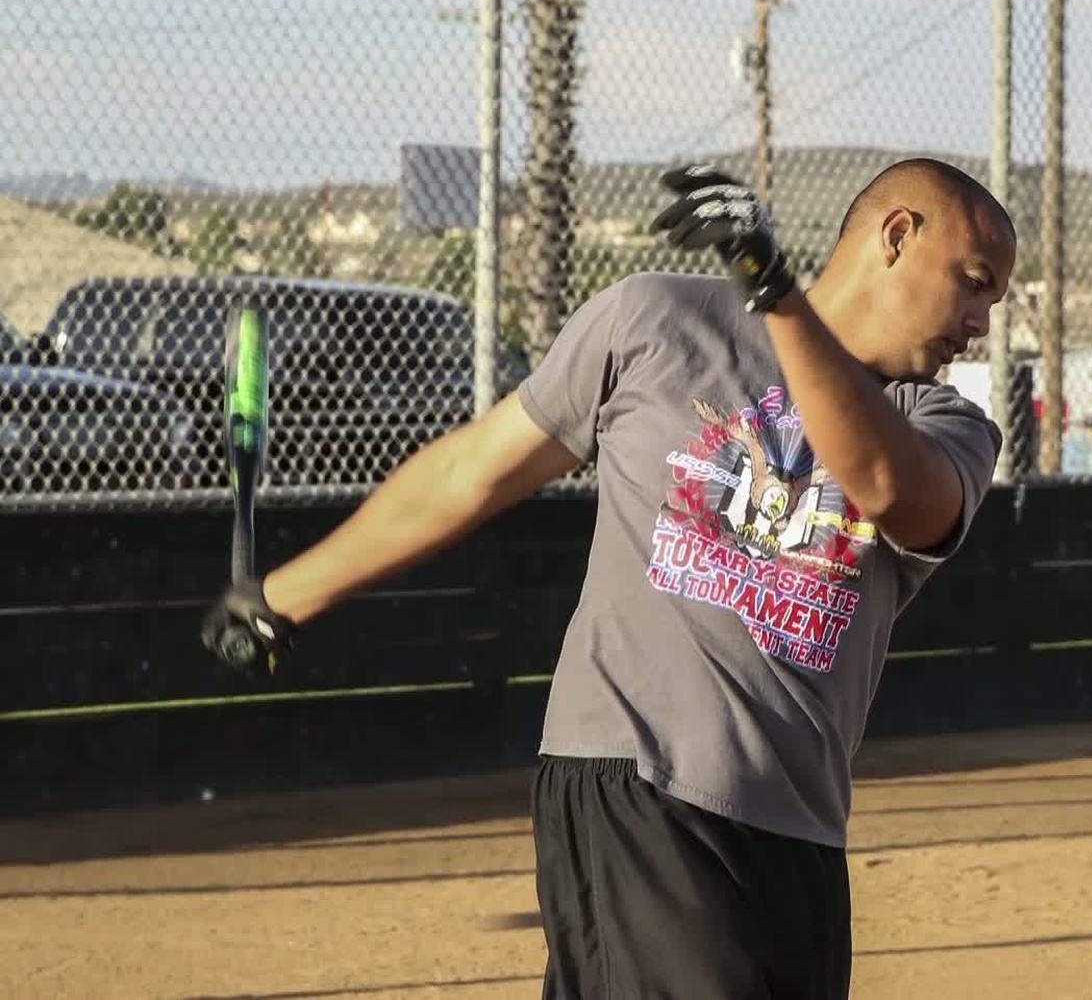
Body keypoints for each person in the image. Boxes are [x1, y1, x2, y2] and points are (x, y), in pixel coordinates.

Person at [200, 159, 1017, 999]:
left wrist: (776, 294)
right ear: (895, 235)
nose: (982, 321)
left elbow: (891, 488)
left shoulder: (944, 424)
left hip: (798, 836)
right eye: (975, 282)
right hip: (643, 787)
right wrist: (281, 596)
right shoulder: (657, 321)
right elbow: (472, 474)